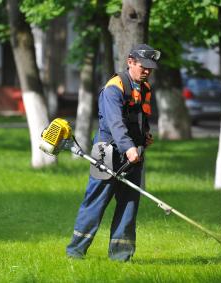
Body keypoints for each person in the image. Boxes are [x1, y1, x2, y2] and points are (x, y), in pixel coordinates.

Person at [66, 43, 160, 261]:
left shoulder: (145, 89)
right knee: (96, 201)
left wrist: (145, 135)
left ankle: (121, 256)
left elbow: (139, 117)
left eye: (150, 68)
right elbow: (115, 124)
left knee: (128, 203)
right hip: (105, 151)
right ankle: (75, 252)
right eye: (142, 66)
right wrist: (129, 148)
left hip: (133, 152)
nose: (146, 71)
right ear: (130, 62)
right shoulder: (114, 88)